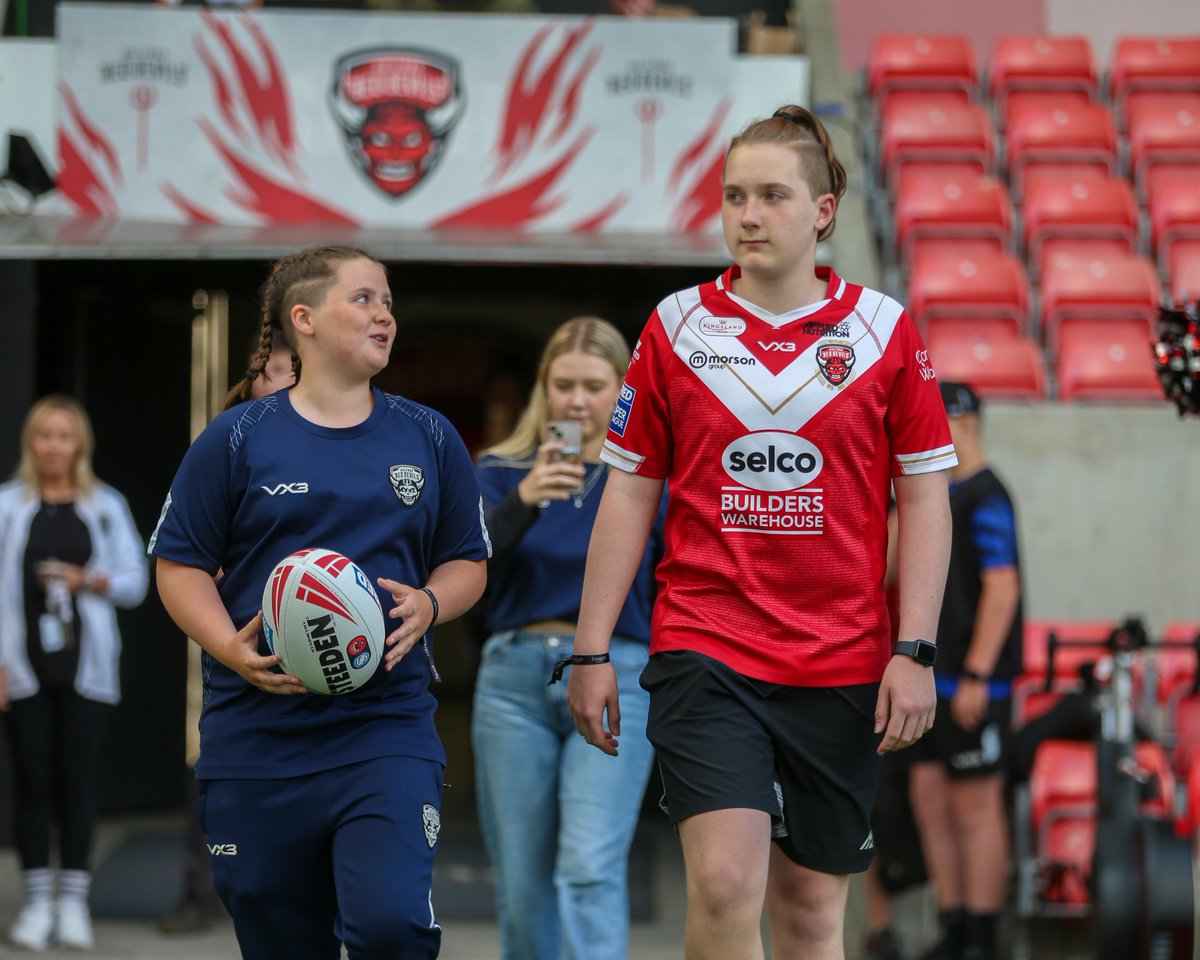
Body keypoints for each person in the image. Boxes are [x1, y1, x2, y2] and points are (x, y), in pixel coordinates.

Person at [566, 104, 956, 960]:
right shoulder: (674, 327)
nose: (748, 214)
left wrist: (915, 650)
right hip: (707, 649)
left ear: (823, 210)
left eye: (773, 195)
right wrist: (592, 649)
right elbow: (628, 494)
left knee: (814, 913)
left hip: (844, 660)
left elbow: (925, 499)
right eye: (734, 195)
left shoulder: (885, 331)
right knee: (722, 885)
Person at [149, 244, 490, 959]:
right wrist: (228, 646)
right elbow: (179, 566)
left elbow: (468, 561)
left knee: (392, 927)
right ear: (302, 319)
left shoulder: (428, 436)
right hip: (258, 740)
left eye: (389, 302)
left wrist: (431, 603)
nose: (384, 315)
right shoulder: (236, 439)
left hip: (384, 728)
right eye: (364, 299)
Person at [472, 316, 665, 960]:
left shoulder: (643, 479)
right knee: (522, 880)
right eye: (563, 385)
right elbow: (459, 572)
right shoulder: (498, 471)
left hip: (618, 672)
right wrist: (523, 499)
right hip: (513, 676)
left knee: (587, 866)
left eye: (593, 385)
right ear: (542, 390)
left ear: (622, 390)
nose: (577, 401)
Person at [158, 332, 297, 937]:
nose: (292, 387)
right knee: (216, 765)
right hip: (243, 664)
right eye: (280, 373)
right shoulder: (231, 439)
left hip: (345, 683)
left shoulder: (370, 435)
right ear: (256, 376)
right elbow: (181, 555)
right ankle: (199, 889)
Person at [0, 394, 149, 952]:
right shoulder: (8, 505)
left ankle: (73, 904)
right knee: (33, 785)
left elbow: (136, 582)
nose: (55, 447)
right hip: (23, 666)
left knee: (78, 786)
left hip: (85, 668)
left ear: (80, 444)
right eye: (45, 436)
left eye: (65, 436)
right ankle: (38, 904)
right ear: (30, 443)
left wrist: (87, 580)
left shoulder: (104, 504)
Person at [907, 382, 1022, 960]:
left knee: (976, 806)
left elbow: (1003, 590)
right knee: (931, 800)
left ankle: (982, 935)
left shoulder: (986, 495)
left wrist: (977, 674)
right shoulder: (935, 495)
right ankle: (953, 928)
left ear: (967, 423)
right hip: (934, 679)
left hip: (976, 683)